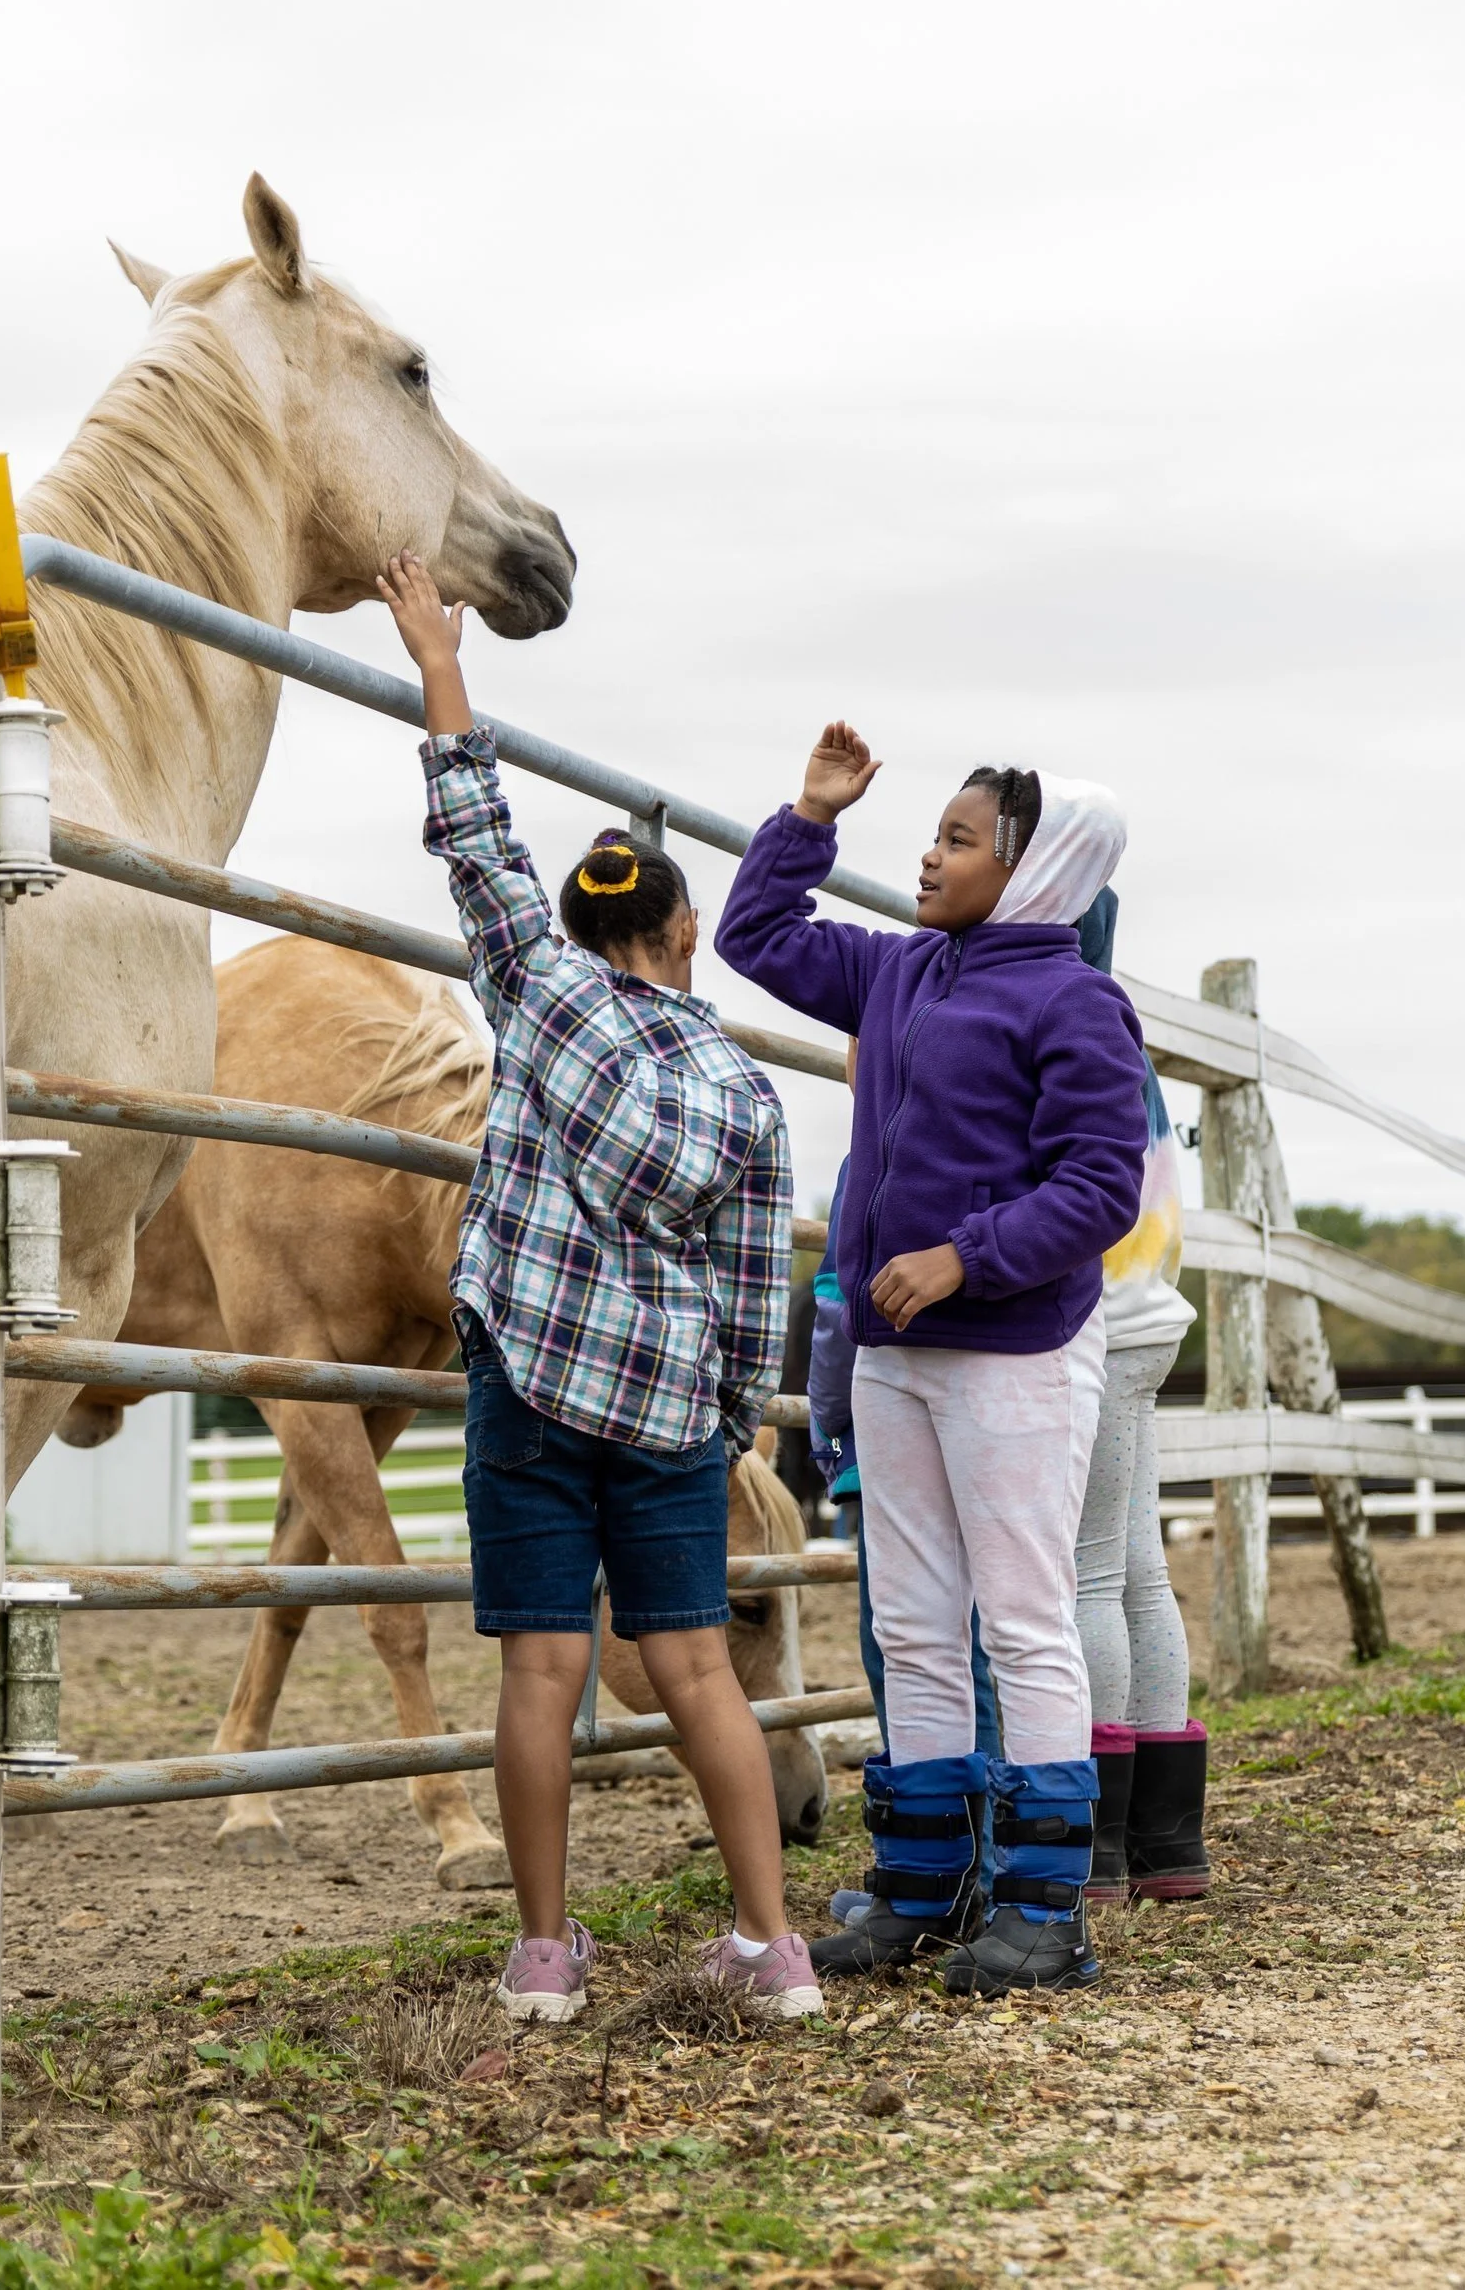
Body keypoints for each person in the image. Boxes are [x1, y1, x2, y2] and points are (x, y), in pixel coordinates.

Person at [380, 552, 816, 2020]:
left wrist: (446, 672)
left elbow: (474, 841)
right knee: (696, 1667)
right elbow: (758, 1284)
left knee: (542, 1673)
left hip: (530, 1390)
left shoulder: (538, 996)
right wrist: (725, 1410)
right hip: (673, 1412)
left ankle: (548, 1958)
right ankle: (771, 1950)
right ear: (684, 931)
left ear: (567, 934)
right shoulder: (743, 1090)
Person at [719, 721, 1147, 1994]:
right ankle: (920, 1884)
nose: (929, 853)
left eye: (958, 839)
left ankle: (1043, 1906)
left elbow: (1100, 1187)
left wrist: (966, 1255)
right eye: (936, 831)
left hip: (1012, 1352)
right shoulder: (901, 973)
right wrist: (808, 817)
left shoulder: (1077, 1001)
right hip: (896, 1356)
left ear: (1032, 866)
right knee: (909, 1624)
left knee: (1021, 1620)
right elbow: (758, 938)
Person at [1069, 893, 1210, 1904]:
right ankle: (1168, 1845)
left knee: (1087, 1579)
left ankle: (1100, 1845)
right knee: (1139, 1573)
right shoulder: (1128, 1039)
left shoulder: (1065, 1035)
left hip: (1103, 1323)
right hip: (1152, 1314)